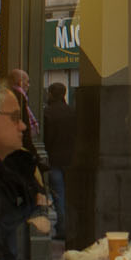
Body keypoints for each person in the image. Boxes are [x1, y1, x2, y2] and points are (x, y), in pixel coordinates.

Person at [0, 86, 49, 260]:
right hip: (15, 164)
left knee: (13, 205)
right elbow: (29, 135)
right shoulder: (17, 111)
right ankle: (1, 230)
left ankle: (10, 254)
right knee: (32, 202)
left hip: (4, 165)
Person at [41, 82, 75, 240]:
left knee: (58, 195)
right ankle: (71, 225)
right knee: (69, 195)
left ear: (51, 94)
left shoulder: (47, 113)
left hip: (54, 159)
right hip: (71, 159)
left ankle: (62, 227)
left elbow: (45, 138)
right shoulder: (72, 112)